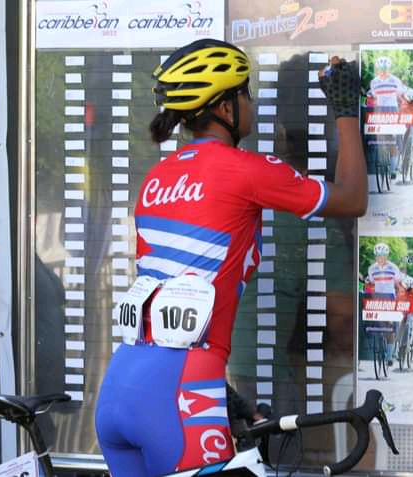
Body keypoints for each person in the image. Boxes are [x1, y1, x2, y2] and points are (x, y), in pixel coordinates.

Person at [94, 38, 367, 477]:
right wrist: (345, 111)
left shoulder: (156, 178)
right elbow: (352, 198)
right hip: (182, 389)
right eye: (245, 92)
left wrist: (225, 396)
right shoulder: (244, 169)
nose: (252, 102)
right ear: (224, 107)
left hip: (122, 386)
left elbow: (170, 304)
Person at [367, 242, 404, 365]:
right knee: (374, 322)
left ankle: (389, 355)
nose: (380, 257)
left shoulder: (393, 268)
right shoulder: (372, 269)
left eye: (383, 255)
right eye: (378, 255)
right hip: (377, 298)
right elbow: (371, 282)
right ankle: (375, 343)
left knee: (389, 327)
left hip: (389, 297)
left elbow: (398, 282)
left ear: (387, 256)